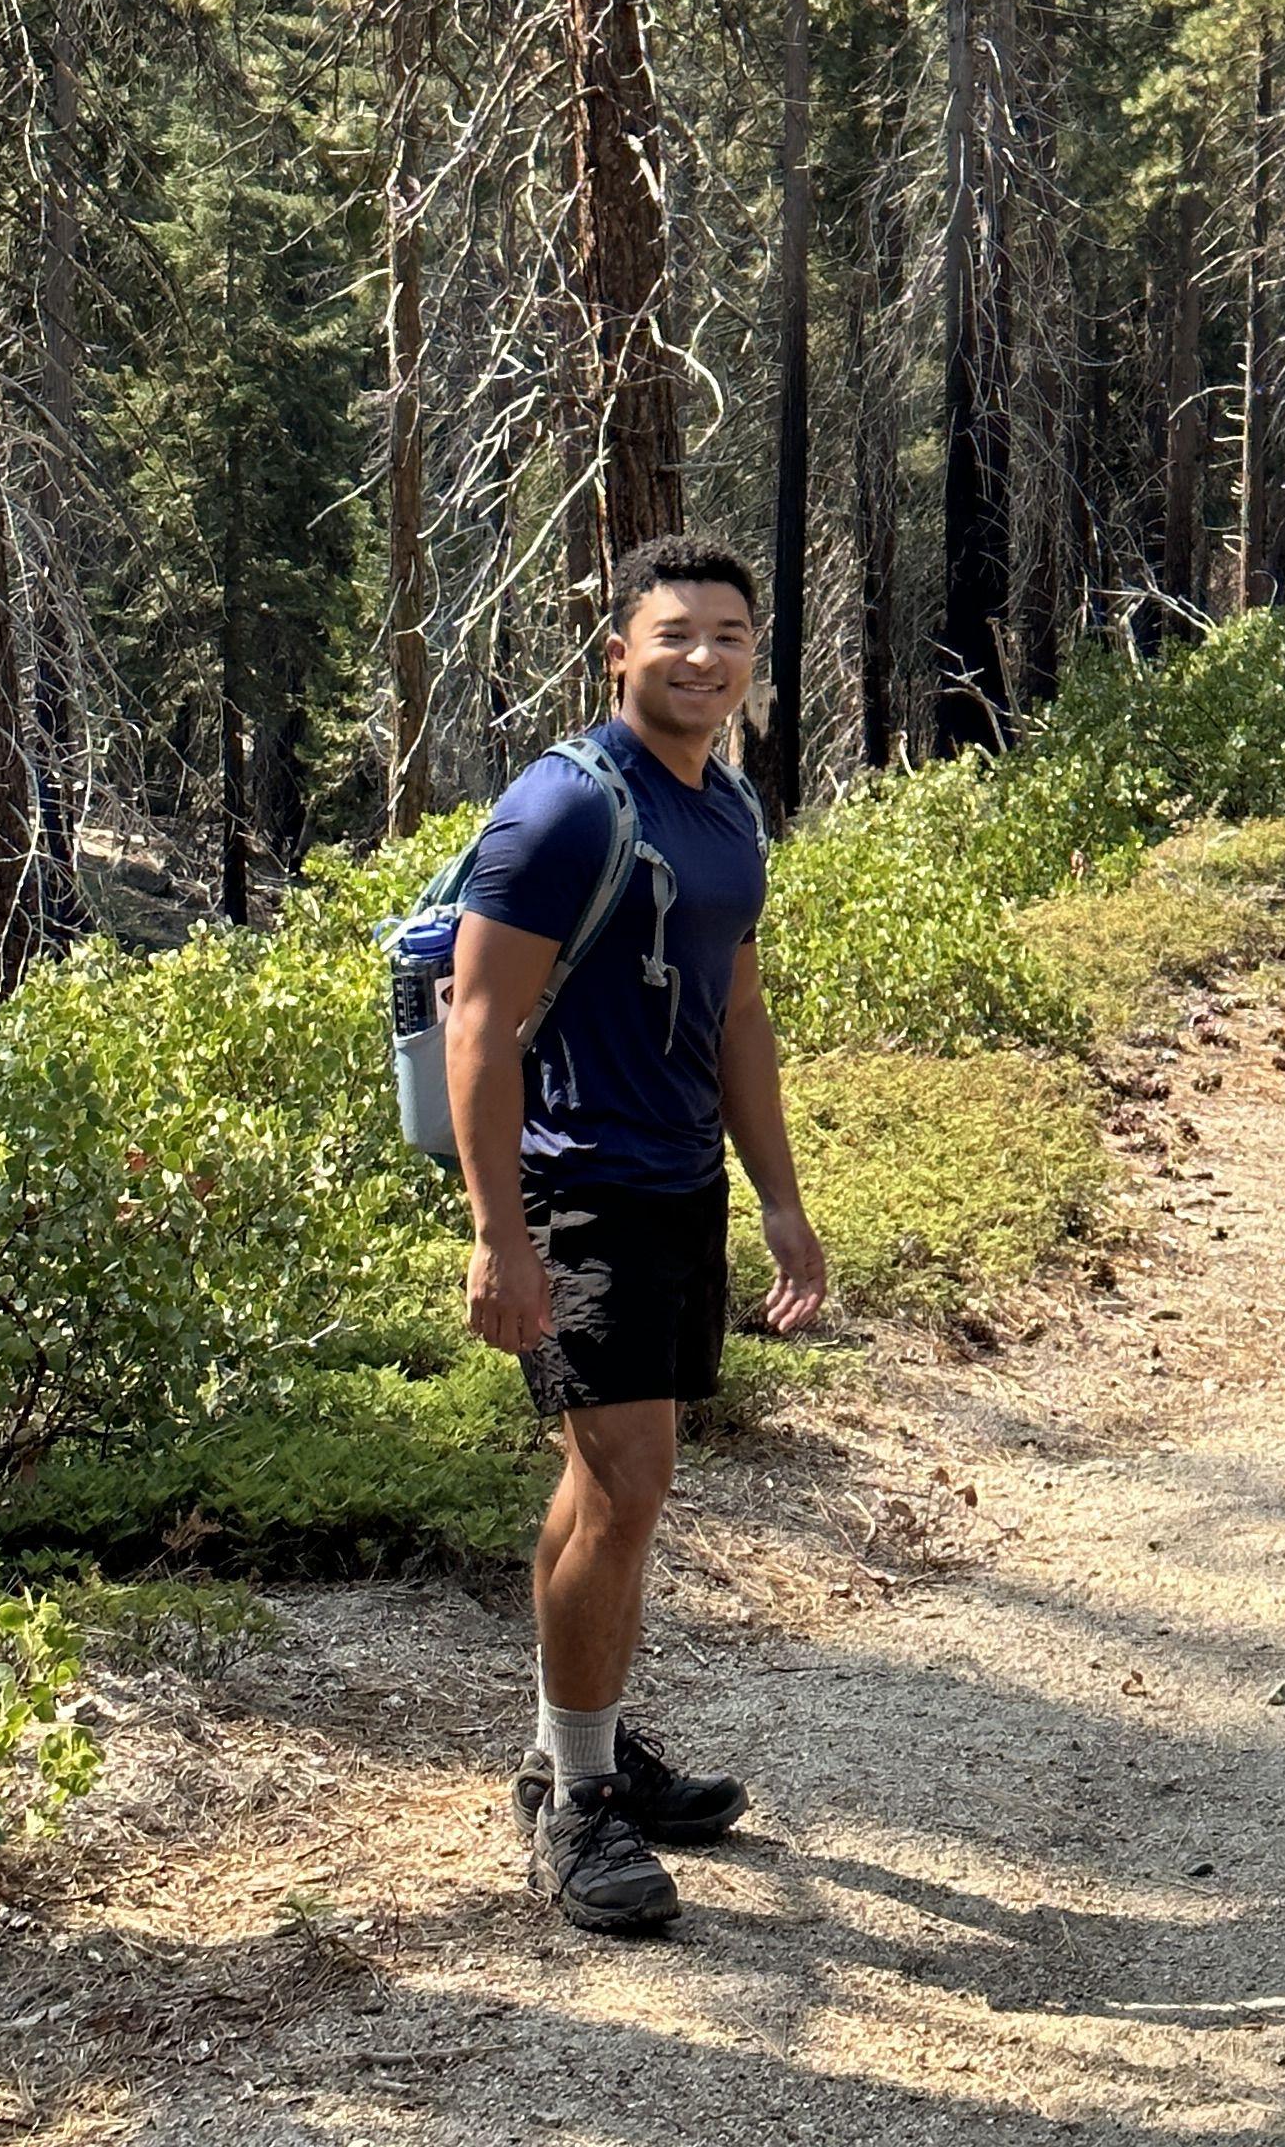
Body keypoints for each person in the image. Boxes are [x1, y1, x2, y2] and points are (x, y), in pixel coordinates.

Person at [447, 530, 827, 1934]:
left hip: (679, 1182)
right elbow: (478, 1026)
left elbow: (736, 1012)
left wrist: (780, 1198)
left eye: (729, 635)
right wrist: (501, 1235)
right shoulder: (563, 810)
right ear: (619, 652)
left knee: (615, 1488)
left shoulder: (724, 809)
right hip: (577, 1184)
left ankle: (576, 1750)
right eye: (675, 634)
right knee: (628, 1479)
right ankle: (579, 1811)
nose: (704, 657)